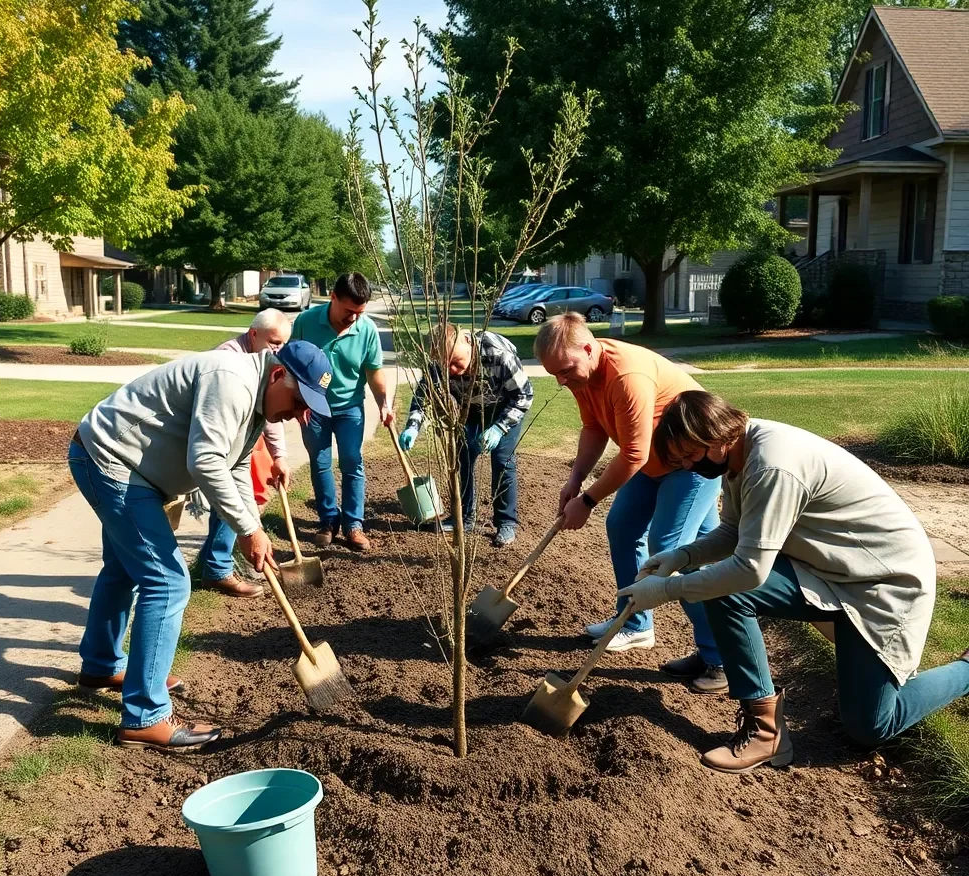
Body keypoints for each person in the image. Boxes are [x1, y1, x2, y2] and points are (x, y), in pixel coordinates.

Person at [618, 390, 969, 773]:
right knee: (727, 594)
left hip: (883, 583)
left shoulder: (771, 466)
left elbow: (750, 569)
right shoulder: (740, 456)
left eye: (691, 454)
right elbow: (737, 530)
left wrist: (666, 591)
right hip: (830, 569)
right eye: (681, 459)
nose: (688, 465)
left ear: (717, 436)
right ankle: (766, 732)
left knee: (871, 726)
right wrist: (683, 556)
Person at [69, 341, 332, 752]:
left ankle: (101, 667)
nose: (301, 416)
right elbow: (206, 460)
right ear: (279, 375)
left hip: (128, 466)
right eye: (300, 401)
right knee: (168, 583)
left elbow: (237, 464)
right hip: (113, 461)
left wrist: (253, 528)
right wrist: (246, 530)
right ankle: (145, 717)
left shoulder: (258, 400)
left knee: (123, 570)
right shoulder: (231, 381)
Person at [534, 312, 725, 691]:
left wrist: (587, 500)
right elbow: (594, 427)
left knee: (674, 551)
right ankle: (636, 624)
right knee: (621, 527)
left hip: (692, 463)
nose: (561, 380)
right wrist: (575, 479)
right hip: (656, 464)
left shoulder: (626, 376)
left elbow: (633, 454)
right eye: (555, 374)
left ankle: (719, 658)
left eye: (566, 370)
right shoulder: (582, 374)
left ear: (589, 348)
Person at [399, 322, 533, 547]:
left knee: (502, 462)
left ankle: (505, 522)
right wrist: (413, 425)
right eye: (445, 365)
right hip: (470, 409)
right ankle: (464, 517)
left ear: (468, 343)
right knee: (462, 458)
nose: (450, 370)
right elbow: (423, 395)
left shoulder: (498, 356)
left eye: (455, 362)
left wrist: (499, 428)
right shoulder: (439, 365)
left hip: (505, 408)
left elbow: (524, 396)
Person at [290, 272, 393, 552]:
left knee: (352, 461)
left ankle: (353, 525)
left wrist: (384, 402)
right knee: (320, 462)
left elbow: (373, 372)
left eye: (359, 313)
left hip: (350, 408)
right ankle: (328, 521)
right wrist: (296, 401)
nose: (353, 318)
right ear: (333, 297)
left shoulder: (367, 330)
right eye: (349, 311)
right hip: (313, 408)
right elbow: (291, 364)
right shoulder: (305, 322)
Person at [196, 308, 293, 597]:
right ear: (253, 334)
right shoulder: (231, 362)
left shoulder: (266, 365)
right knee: (230, 498)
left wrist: (280, 456)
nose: (279, 350)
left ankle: (216, 565)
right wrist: (249, 529)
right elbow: (210, 458)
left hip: (231, 445)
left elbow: (269, 415)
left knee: (240, 495)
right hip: (212, 443)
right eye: (275, 343)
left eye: (283, 345)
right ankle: (217, 568)